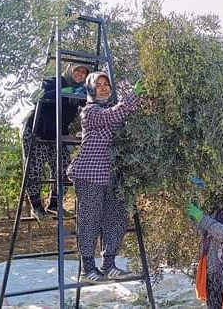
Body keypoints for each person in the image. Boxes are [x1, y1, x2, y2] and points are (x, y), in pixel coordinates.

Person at [67, 71, 142, 284]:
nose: (103, 88)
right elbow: (113, 116)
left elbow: (123, 115)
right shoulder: (89, 112)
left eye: (106, 84)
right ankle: (87, 269)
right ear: (90, 89)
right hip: (90, 174)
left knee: (117, 217)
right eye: (98, 85)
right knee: (90, 220)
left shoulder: (114, 108)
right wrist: (134, 95)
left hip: (113, 175)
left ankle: (109, 264)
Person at [21, 62, 90, 220]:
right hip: (37, 130)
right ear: (70, 71)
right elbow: (37, 96)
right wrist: (61, 91)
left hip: (57, 135)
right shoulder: (56, 82)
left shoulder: (81, 93)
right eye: (77, 70)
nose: (79, 74)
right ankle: (36, 207)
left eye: (83, 73)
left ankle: (54, 205)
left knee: (66, 168)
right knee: (34, 168)